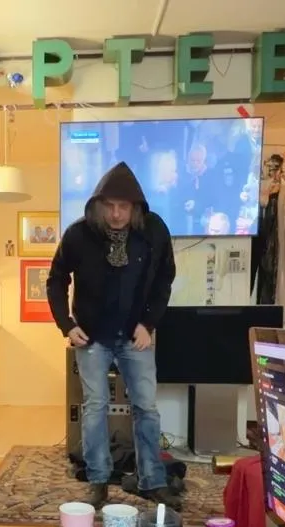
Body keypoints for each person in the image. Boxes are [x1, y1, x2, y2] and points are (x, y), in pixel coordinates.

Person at [47, 161, 179, 509]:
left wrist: (149, 324)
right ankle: (99, 479)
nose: (117, 214)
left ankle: (152, 480)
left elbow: (164, 279)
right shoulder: (78, 235)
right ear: (98, 205)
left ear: (136, 207)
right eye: (110, 206)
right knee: (95, 406)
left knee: (146, 407)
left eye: (124, 206)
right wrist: (67, 324)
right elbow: (56, 280)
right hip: (92, 336)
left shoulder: (154, 230)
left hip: (136, 335)